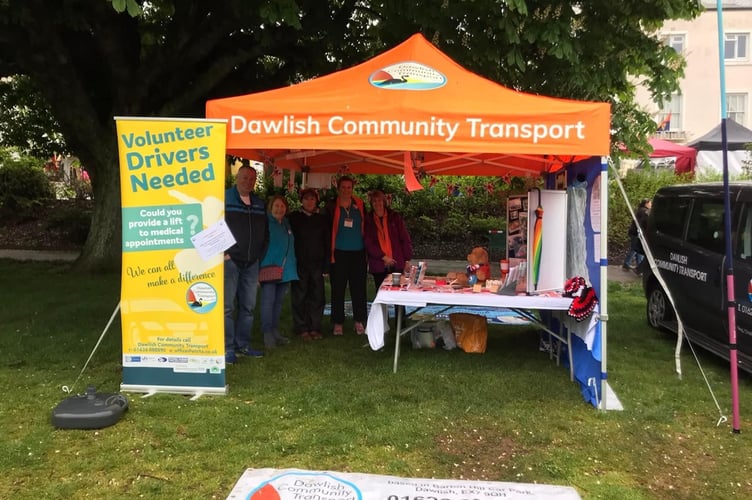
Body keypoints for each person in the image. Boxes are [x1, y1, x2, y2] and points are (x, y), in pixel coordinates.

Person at [224, 164, 268, 364]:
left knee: (248, 306)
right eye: (244, 178)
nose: (248, 182)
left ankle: (243, 344)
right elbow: (212, 225)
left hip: (251, 263)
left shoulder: (259, 204)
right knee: (227, 307)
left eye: (251, 179)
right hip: (230, 261)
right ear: (237, 178)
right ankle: (227, 348)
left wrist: (259, 256)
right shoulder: (224, 199)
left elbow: (265, 233)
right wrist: (224, 253)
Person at [325, 175, 368, 336]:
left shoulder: (359, 204)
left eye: (349, 187)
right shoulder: (331, 206)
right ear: (338, 188)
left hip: (358, 252)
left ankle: (359, 320)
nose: (346, 190)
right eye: (343, 187)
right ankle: (337, 322)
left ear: (352, 189)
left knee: (359, 288)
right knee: (338, 288)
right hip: (339, 253)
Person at [289, 188, 330, 341]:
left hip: (317, 264)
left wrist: (327, 266)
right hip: (299, 263)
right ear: (302, 200)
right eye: (306, 198)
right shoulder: (294, 218)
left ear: (316, 200)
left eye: (312, 199)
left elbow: (327, 243)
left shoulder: (322, 219)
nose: (309, 201)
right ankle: (301, 327)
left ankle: (315, 327)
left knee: (317, 296)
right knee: (299, 296)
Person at [259, 195, 299, 349]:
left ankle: (274, 330)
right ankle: (267, 332)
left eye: (282, 206)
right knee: (267, 303)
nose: (279, 209)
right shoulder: (265, 223)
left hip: (285, 270)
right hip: (269, 269)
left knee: (278, 303)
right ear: (270, 207)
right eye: (276, 206)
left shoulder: (286, 223)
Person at [364, 190, 413, 288]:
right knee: (381, 293)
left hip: (396, 261)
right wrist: (383, 257)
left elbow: (404, 238)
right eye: (374, 201)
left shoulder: (394, 217)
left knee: (399, 293)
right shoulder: (368, 219)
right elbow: (368, 243)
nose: (377, 203)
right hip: (378, 263)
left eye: (380, 200)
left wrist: (407, 259)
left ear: (384, 201)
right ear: (371, 203)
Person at [622, 198, 652, 272]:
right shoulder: (645, 211)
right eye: (650, 203)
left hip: (635, 232)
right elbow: (643, 223)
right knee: (635, 249)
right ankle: (628, 265)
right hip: (637, 233)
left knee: (637, 249)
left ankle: (638, 267)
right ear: (646, 204)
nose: (651, 204)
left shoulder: (640, 210)